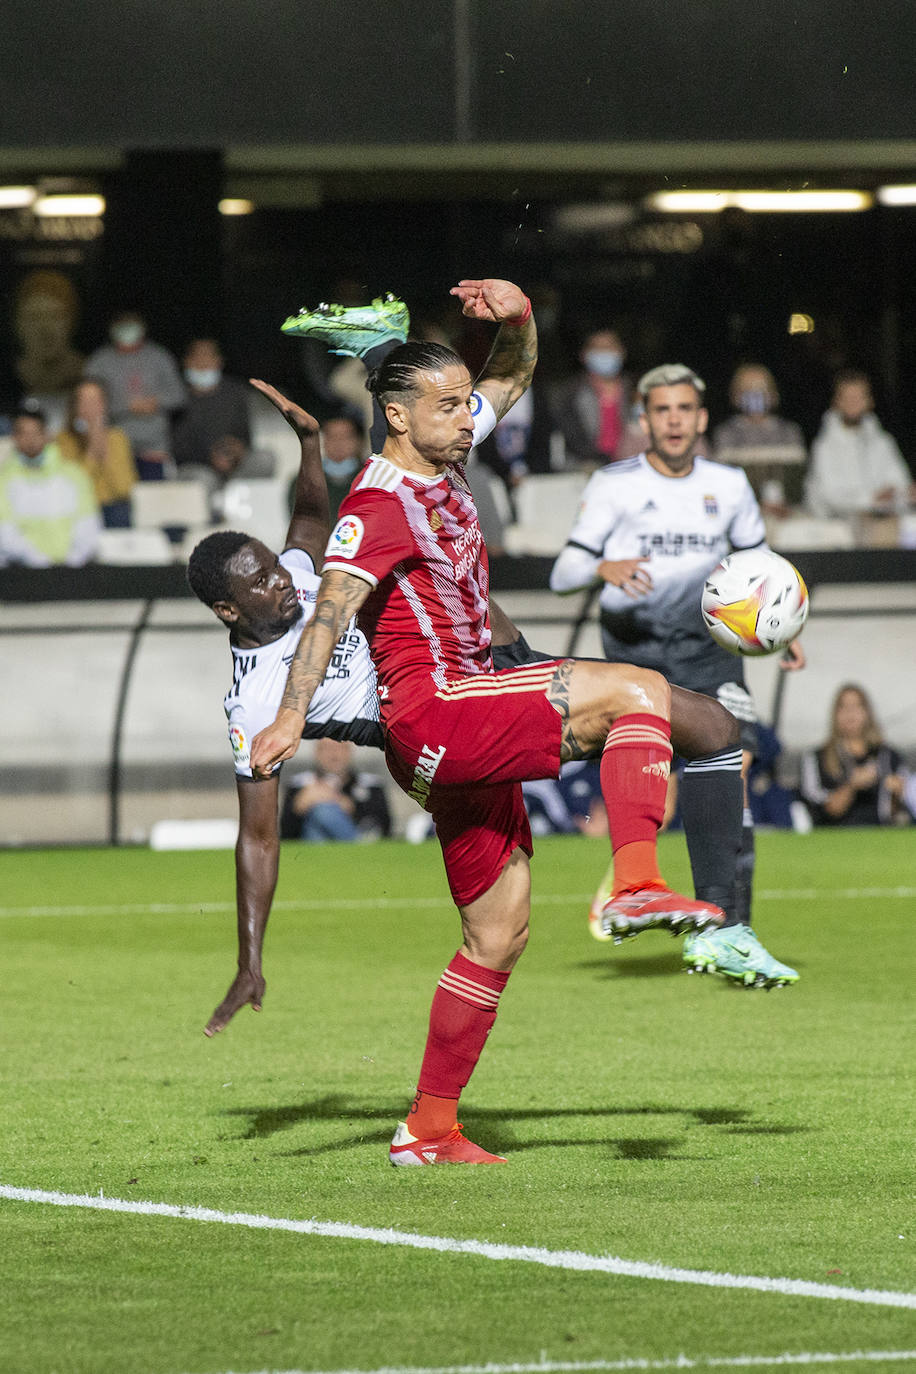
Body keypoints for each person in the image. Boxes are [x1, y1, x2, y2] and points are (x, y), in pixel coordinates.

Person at [249, 280, 739, 1168]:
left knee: (499, 933)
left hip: (453, 731)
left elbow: (510, 371)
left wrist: (514, 315)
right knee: (636, 690)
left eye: (462, 406)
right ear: (397, 418)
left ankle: (427, 1127)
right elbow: (328, 610)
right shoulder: (377, 502)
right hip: (439, 709)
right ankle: (633, 879)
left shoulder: (445, 447)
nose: (467, 419)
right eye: (445, 408)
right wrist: (290, 715)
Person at [550, 363, 804, 989]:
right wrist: (603, 567)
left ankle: (729, 932)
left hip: (708, 652)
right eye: (661, 410)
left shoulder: (730, 484)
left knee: (731, 776)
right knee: (657, 794)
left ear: (701, 418)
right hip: (634, 655)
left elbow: (760, 568)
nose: (673, 421)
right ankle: (630, 879)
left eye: (684, 410)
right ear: (643, 419)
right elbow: (562, 573)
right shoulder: (614, 485)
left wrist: (789, 631)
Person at [85, 312, 186, 478]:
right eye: (122, 326)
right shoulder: (99, 362)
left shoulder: (159, 356)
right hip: (114, 444)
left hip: (155, 446)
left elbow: (179, 395)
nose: (127, 331)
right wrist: (126, 407)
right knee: (120, 495)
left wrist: (155, 402)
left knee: (154, 495)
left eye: (132, 325)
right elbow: (87, 402)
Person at [804, 370, 914, 521]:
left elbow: (901, 484)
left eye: (858, 397)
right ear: (837, 401)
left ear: (870, 401)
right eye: (848, 398)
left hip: (881, 526)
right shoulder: (824, 446)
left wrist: (899, 494)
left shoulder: (883, 442)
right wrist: (871, 499)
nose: (853, 403)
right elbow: (829, 497)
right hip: (836, 529)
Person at [799, 684, 911, 827]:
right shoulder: (816, 758)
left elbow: (893, 815)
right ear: (835, 713)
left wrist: (897, 795)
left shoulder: (888, 756)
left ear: (867, 712)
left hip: (878, 837)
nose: (850, 713)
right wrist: (851, 785)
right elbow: (826, 811)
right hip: (833, 838)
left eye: (857, 706)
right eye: (843, 707)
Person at [0, 408, 101, 566]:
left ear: (47, 435)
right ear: (14, 437)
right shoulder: (3, 480)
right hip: (21, 574)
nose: (30, 440)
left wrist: (71, 562)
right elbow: (5, 535)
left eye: (36, 433)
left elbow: (87, 525)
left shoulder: (74, 475)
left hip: (71, 571)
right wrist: (39, 562)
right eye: (23, 433)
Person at [712, 363, 806, 515]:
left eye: (761, 388)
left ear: (773, 395)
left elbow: (798, 482)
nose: (755, 394)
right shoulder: (726, 434)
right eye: (747, 388)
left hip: (785, 514)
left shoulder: (789, 432)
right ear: (735, 396)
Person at [553, 328, 642, 469]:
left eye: (609, 347)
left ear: (622, 352)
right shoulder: (571, 393)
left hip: (633, 466)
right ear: (584, 355)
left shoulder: (636, 388)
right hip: (586, 467)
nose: (604, 353)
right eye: (598, 348)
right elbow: (572, 435)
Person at [54, 377, 137, 527]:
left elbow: (124, 488)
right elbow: (73, 487)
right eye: (84, 402)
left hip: (114, 509)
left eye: (96, 401)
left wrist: (103, 450)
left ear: (105, 405)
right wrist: (92, 451)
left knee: (120, 512)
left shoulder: (117, 437)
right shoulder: (63, 440)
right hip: (78, 509)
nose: (91, 408)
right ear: (75, 407)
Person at [10, 269, 85, 431]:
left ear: (71, 320)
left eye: (55, 315)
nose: (45, 329)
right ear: (18, 324)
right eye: (34, 317)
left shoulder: (85, 368)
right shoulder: (11, 372)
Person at [280, 737, 392, 842]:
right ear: (316, 752)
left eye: (340, 748)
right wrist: (298, 808)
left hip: (350, 840)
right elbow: (285, 835)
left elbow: (384, 828)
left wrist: (349, 806)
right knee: (317, 818)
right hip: (310, 843)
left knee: (323, 811)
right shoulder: (299, 785)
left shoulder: (370, 785)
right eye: (327, 748)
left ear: (350, 751)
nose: (334, 755)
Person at [172, 338, 254, 469]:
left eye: (208, 356)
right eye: (197, 357)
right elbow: (176, 446)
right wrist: (209, 457)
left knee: (265, 459)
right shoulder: (176, 396)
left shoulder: (235, 392)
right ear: (186, 361)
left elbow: (245, 435)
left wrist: (237, 448)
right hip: (197, 466)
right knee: (199, 479)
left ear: (219, 361)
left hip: (235, 461)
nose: (203, 363)